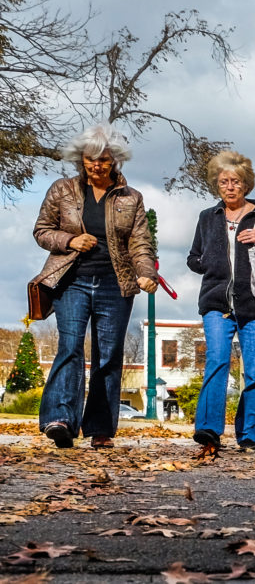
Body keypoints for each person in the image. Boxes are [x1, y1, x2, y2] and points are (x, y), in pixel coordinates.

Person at [32, 123, 158, 449]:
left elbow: (141, 244)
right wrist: (71, 239)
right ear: (81, 159)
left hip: (114, 285)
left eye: (103, 159)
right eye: (90, 159)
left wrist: (146, 273)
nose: (96, 165)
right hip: (70, 281)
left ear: (115, 160)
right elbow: (42, 231)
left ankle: (100, 429)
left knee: (108, 356)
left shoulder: (132, 198)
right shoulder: (62, 190)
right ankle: (60, 420)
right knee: (70, 347)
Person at [187, 151, 255, 452]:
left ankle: (249, 434)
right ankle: (208, 430)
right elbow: (193, 258)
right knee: (217, 361)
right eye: (224, 182)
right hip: (216, 304)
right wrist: (209, 264)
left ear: (246, 184)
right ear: (217, 185)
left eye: (236, 181)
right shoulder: (207, 218)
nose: (230, 187)